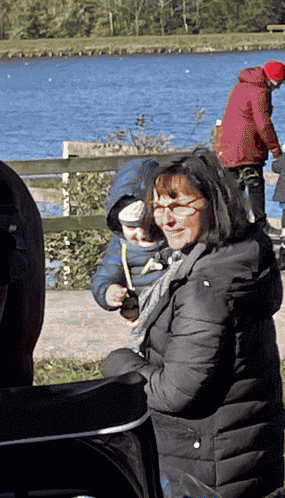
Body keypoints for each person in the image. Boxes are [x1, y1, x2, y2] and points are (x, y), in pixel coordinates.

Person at [103, 148, 284, 498]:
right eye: (159, 208)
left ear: (213, 204)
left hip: (206, 470)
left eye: (180, 206)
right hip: (239, 455)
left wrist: (121, 363)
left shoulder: (207, 288)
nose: (166, 220)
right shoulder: (239, 253)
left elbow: (175, 392)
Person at [90, 158, 166, 319]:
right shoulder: (121, 245)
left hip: (175, 310)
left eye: (147, 225)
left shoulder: (172, 239)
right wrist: (108, 292)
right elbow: (104, 275)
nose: (141, 234)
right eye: (131, 227)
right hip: (141, 314)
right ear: (119, 223)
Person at [215, 60, 285, 232]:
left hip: (228, 145)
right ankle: (261, 225)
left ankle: (233, 226)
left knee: (235, 188)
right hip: (247, 147)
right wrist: (276, 149)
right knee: (255, 185)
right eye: (281, 82)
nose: (280, 87)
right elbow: (263, 123)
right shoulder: (260, 90)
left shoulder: (242, 85)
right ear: (275, 79)